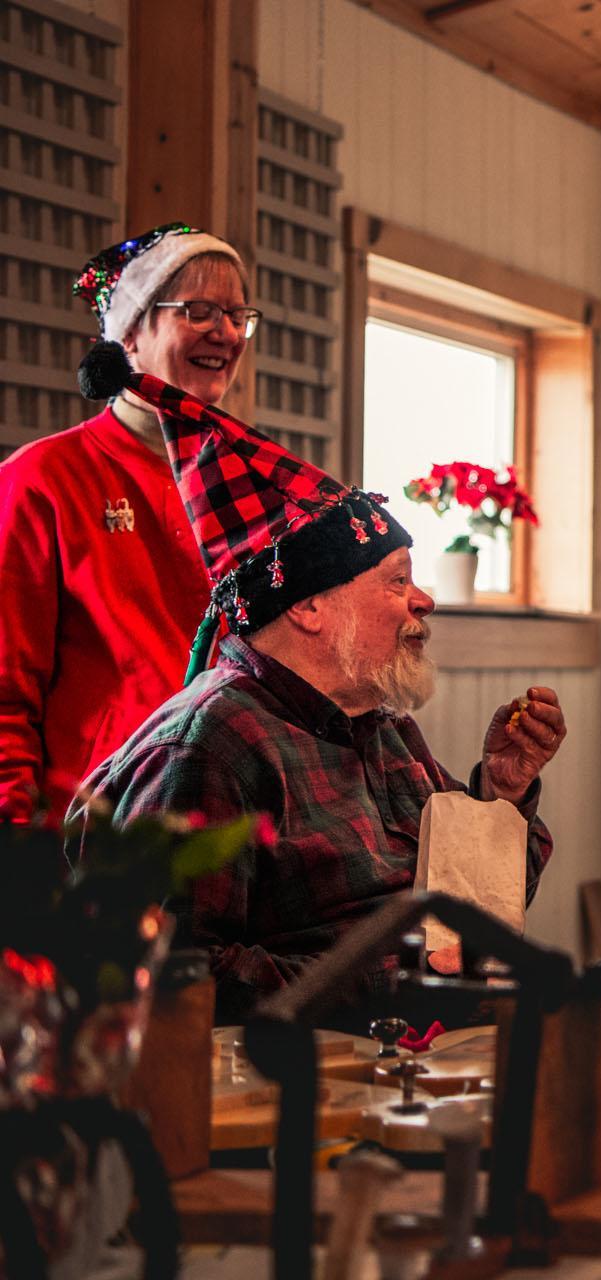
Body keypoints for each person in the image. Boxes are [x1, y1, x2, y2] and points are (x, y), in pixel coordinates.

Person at [68, 356, 566, 1023]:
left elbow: (467, 921)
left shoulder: (380, 723)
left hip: (422, 1061)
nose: (423, 600)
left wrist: (500, 793)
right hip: (298, 1094)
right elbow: (170, 979)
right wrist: (395, 980)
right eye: (395, 581)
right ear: (308, 607)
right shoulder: (209, 750)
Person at [0, 224, 255, 819]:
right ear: (130, 334)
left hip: (230, 822)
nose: (226, 332)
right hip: (96, 831)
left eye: (238, 314)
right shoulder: (43, 478)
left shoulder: (250, 480)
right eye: (198, 310)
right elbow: (6, 692)